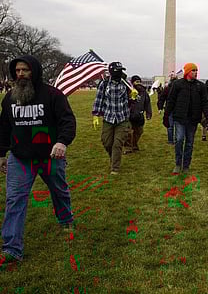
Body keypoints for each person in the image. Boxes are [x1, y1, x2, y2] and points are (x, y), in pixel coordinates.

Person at [0, 55, 76, 265]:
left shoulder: (52, 95)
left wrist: (62, 142)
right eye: (17, 71)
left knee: (59, 190)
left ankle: (65, 218)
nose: (21, 74)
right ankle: (11, 248)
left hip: (50, 156)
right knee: (15, 199)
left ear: (34, 70)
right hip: (20, 158)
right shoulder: (9, 99)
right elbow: (4, 128)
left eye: (25, 70)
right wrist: (1, 154)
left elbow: (67, 121)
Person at [163, 63, 208, 174]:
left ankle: (186, 165)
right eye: (193, 70)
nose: (195, 72)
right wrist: (166, 116)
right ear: (187, 72)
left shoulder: (200, 86)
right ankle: (178, 164)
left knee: (189, 143)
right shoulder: (177, 85)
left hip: (193, 119)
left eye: (196, 70)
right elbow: (171, 101)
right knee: (179, 140)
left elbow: (205, 102)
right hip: (179, 118)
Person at [92, 62, 136, 175]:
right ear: (112, 71)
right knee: (106, 142)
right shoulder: (104, 84)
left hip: (122, 118)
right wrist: (96, 114)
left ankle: (115, 168)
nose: (121, 72)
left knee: (117, 143)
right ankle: (113, 157)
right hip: (108, 117)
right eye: (118, 70)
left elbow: (132, 101)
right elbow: (99, 99)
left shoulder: (126, 84)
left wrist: (133, 96)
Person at [124, 75, 152, 152]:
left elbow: (147, 103)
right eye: (136, 82)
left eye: (139, 82)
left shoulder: (144, 93)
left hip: (139, 115)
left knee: (139, 131)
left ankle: (134, 145)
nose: (138, 83)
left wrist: (148, 114)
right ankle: (128, 148)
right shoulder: (128, 91)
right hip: (129, 115)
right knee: (128, 133)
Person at [157, 74, 176, 145]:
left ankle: (171, 140)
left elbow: (161, 99)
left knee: (170, 126)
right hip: (177, 109)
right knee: (177, 125)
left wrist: (160, 107)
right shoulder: (178, 88)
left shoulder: (167, 88)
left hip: (169, 108)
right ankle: (177, 140)